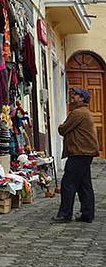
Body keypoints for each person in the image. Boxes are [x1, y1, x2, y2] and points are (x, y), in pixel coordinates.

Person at [52, 88, 100, 223]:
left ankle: (65, 214)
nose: (73, 96)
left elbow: (63, 129)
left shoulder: (78, 113)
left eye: (77, 95)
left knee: (68, 183)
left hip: (79, 153)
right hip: (84, 152)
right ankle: (87, 214)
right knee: (84, 185)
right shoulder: (84, 112)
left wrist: (61, 126)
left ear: (82, 98)